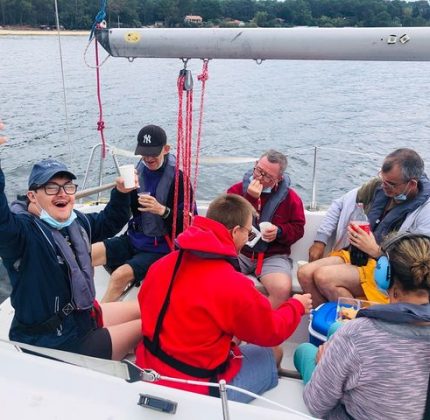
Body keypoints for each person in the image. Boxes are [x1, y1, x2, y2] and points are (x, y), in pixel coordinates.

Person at [135, 193, 312, 403]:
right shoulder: (233, 284)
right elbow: (271, 332)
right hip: (200, 388)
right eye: (248, 232)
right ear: (236, 232)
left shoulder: (162, 265)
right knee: (273, 352)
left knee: (233, 336)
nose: (248, 238)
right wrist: (296, 306)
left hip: (149, 369)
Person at [0, 129, 141, 360]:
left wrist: (121, 193)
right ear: (32, 196)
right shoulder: (21, 235)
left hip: (82, 318)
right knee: (149, 326)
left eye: (68, 186)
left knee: (148, 309)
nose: (62, 193)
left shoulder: (74, 223)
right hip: (56, 343)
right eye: (51, 187)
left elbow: (109, 222)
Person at [297, 232, 430, 419]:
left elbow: (316, 404)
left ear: (384, 277)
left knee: (304, 351)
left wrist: (324, 365)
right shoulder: (354, 333)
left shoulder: (357, 333)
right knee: (337, 330)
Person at [298, 148, 430, 307]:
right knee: (304, 273)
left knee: (324, 277)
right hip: (355, 255)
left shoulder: (425, 212)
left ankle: (354, 328)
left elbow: (418, 262)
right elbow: (338, 205)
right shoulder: (376, 188)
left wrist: (376, 251)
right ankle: (327, 323)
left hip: (385, 269)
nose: (384, 186)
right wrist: (320, 240)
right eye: (383, 179)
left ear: (412, 184)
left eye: (391, 183)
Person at [92, 124, 192, 302]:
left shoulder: (180, 181)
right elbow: (119, 216)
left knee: (119, 276)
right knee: (86, 253)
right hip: (134, 239)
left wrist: (163, 211)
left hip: (161, 248)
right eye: (144, 152)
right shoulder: (136, 173)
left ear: (166, 149)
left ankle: (97, 324)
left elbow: (189, 226)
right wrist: (121, 192)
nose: (148, 158)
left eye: (153, 152)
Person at [227, 149, 305, 309]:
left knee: (282, 289)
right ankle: (232, 327)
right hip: (239, 252)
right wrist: (250, 199)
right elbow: (226, 222)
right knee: (218, 280)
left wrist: (280, 232)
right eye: (259, 171)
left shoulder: (291, 198)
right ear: (255, 165)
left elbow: (298, 229)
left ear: (279, 178)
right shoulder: (235, 191)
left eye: (268, 176)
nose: (260, 178)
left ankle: (259, 328)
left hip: (272, 256)